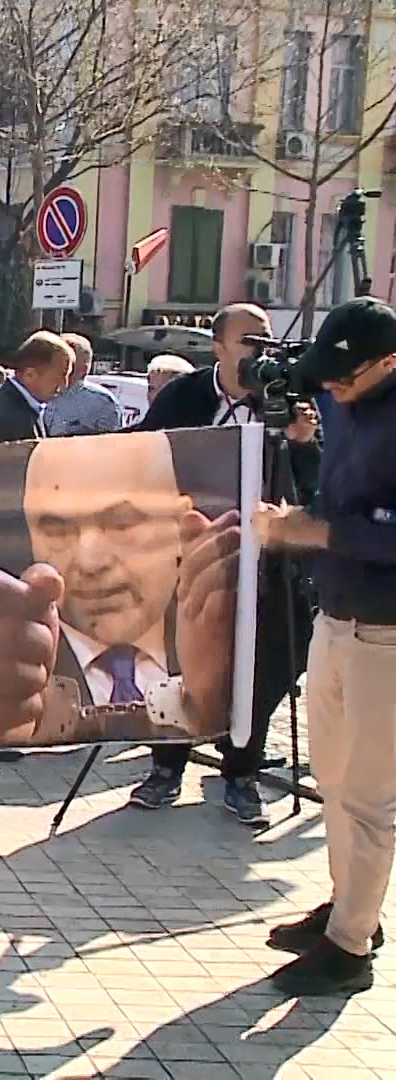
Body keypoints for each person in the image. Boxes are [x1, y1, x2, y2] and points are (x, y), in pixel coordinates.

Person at [251, 296, 396, 997]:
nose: (330, 390)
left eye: (343, 380)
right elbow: (333, 493)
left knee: (368, 795)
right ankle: (349, 907)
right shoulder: (342, 404)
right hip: (335, 619)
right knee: (334, 782)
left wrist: (315, 534)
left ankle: (351, 949)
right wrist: (304, 449)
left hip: (387, 635)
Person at [128, 303, 320, 823]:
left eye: (267, 341)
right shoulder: (186, 395)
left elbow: (317, 483)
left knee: (269, 663)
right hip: (189, 559)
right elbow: (141, 455)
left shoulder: (286, 400)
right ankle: (166, 766)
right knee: (180, 663)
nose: (260, 354)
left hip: (270, 563)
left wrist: (303, 443)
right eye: (249, 343)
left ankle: (242, 772)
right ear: (219, 347)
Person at [0, 431, 238, 750]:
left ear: (179, 523)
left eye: (122, 523)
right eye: (57, 528)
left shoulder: (225, 634)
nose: (90, 562)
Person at [0, 332, 75, 444]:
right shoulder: (7, 420)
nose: (64, 385)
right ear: (29, 375)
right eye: (57, 378)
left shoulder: (8, 400)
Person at [42, 333, 124, 437]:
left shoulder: (102, 404)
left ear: (83, 369)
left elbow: (112, 447)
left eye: (68, 362)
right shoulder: (36, 391)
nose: (57, 366)